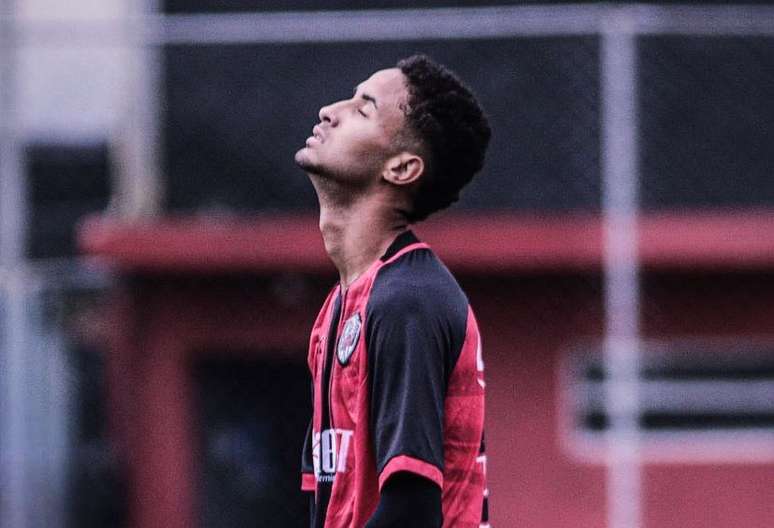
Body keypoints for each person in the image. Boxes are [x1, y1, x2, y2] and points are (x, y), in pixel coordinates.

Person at [295, 54, 491, 528]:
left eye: (363, 108)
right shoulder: (342, 305)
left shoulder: (407, 301)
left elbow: (412, 510)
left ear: (402, 168)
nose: (330, 111)